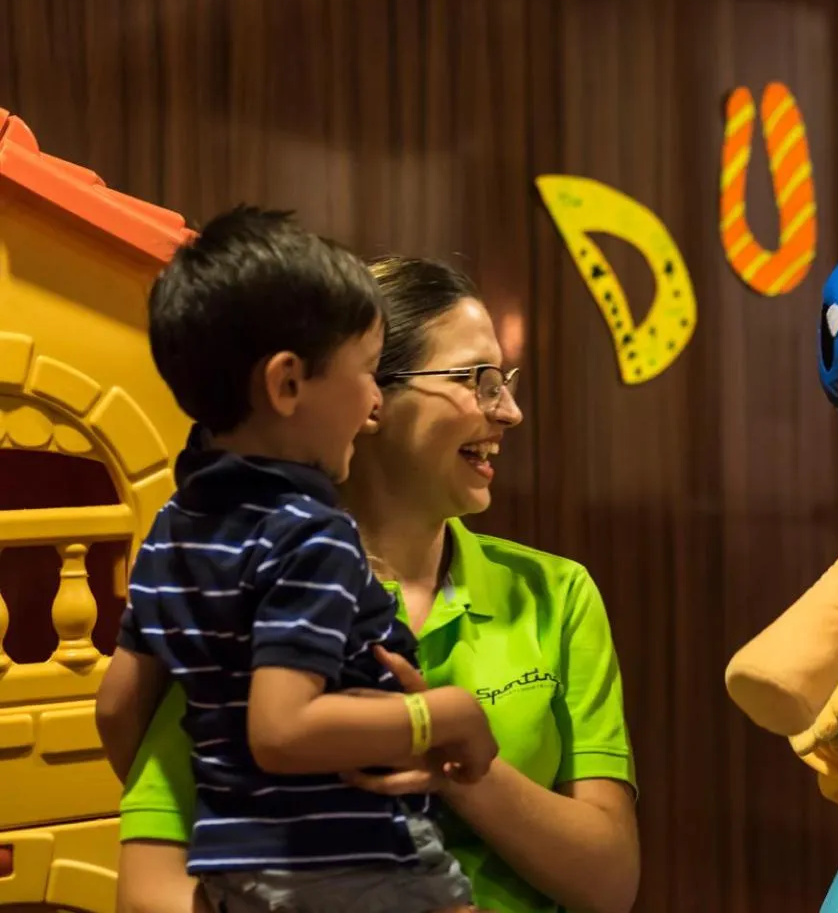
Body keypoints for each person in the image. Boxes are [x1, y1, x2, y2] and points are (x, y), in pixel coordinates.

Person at [112, 255, 640, 913]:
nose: (509, 412)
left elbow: (611, 881)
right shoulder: (262, 590)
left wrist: (453, 769)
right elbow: (148, 887)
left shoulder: (554, 592)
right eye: (477, 381)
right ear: (369, 399)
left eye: (504, 380)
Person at [95, 207, 498, 913]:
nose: (375, 403)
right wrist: (446, 716)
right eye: (368, 373)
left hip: (232, 870)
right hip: (354, 861)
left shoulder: (171, 530)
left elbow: (117, 710)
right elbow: (283, 732)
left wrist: (234, 808)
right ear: (286, 384)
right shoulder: (310, 536)